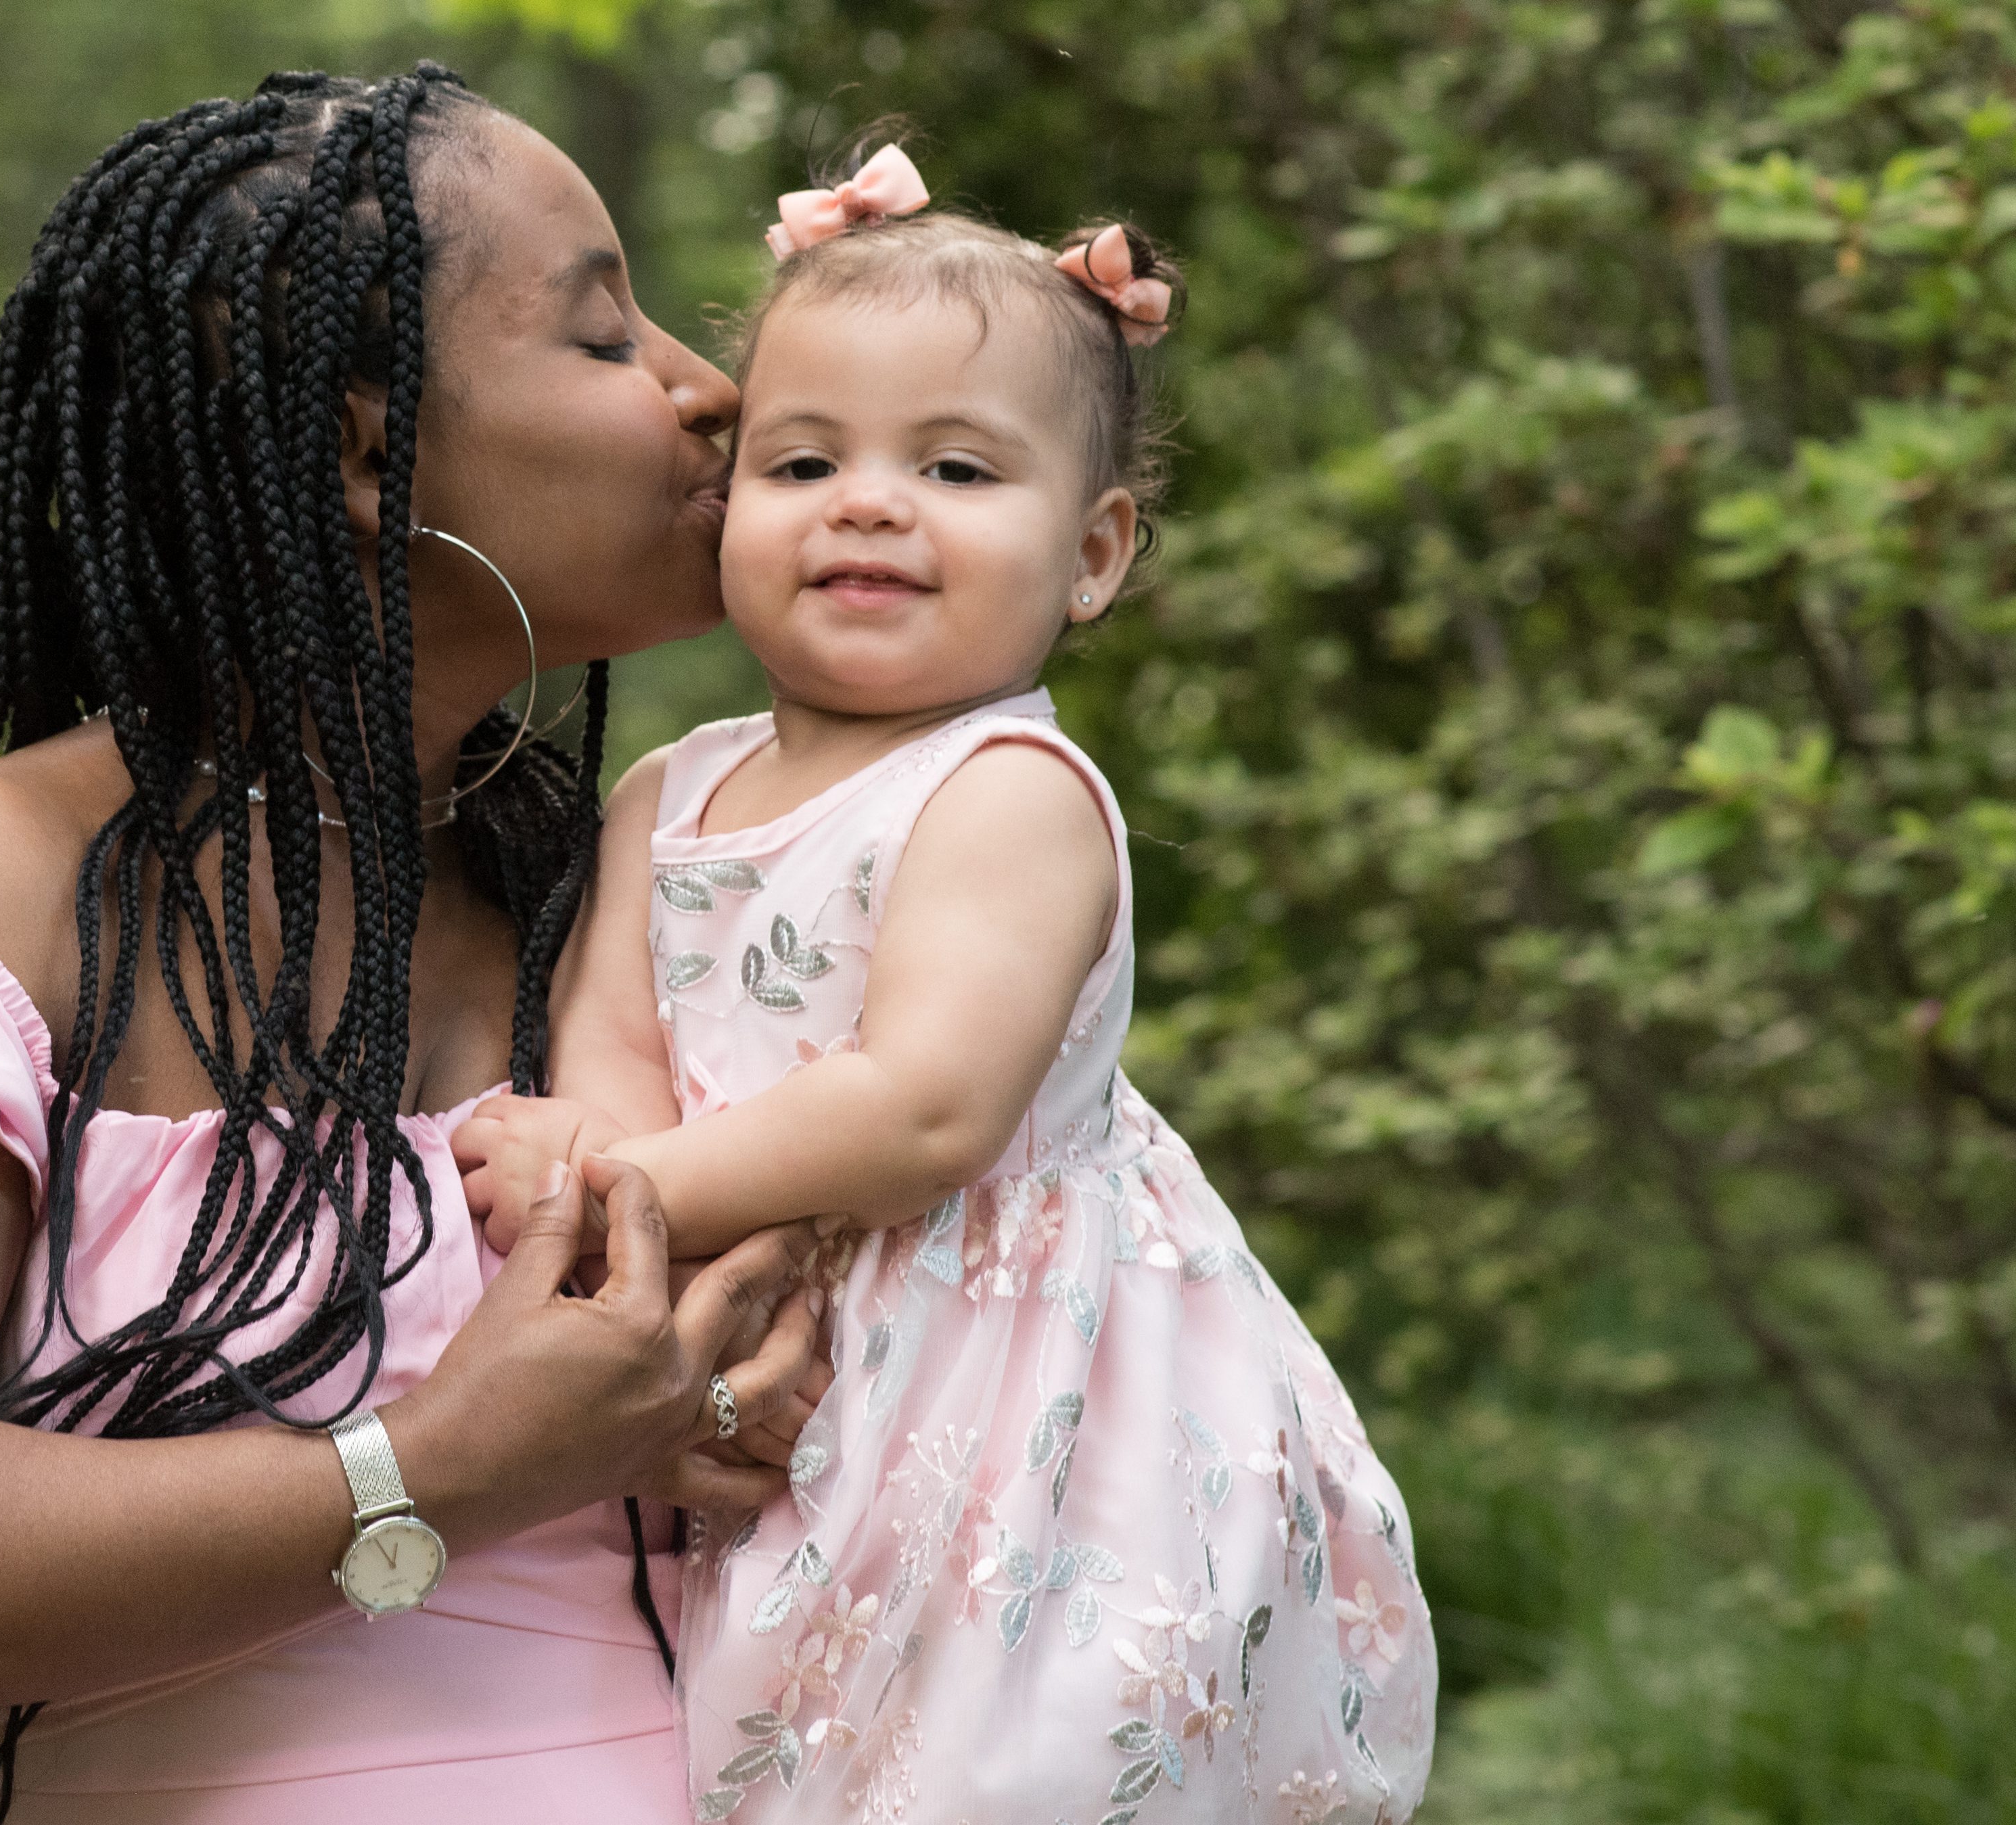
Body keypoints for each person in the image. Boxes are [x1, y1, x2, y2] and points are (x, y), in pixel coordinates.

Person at [0, 65, 830, 1825]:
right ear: (364, 444)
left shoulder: (641, 888)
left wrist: (749, 1398)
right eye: (601, 335)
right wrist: (433, 1473)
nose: (708, 388)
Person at [455, 147, 1439, 1822]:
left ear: (1095, 551)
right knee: (787, 1744)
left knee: (1010, 1754)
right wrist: (614, 1189)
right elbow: (613, 1035)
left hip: (1014, 1373)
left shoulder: (1006, 794)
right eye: (804, 457)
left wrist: (614, 1181)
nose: (867, 500)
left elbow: (923, 1103)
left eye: (958, 467)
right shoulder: (668, 789)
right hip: (775, 1331)